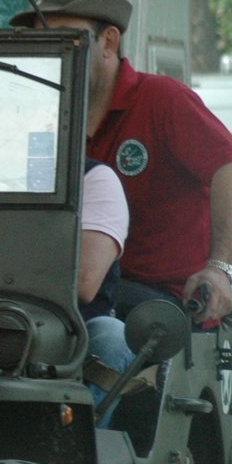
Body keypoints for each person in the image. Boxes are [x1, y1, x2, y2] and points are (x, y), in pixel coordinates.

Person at [10, 0, 232, 324]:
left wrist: (220, 270)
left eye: (66, 41)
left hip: (159, 303)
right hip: (68, 296)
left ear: (109, 42)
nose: (53, 54)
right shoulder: (34, 117)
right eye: (41, 41)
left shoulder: (161, 99)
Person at [79, 158, 138, 421]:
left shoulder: (92, 178)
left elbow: (84, 282)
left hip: (67, 330)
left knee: (113, 337)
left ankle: (75, 443)